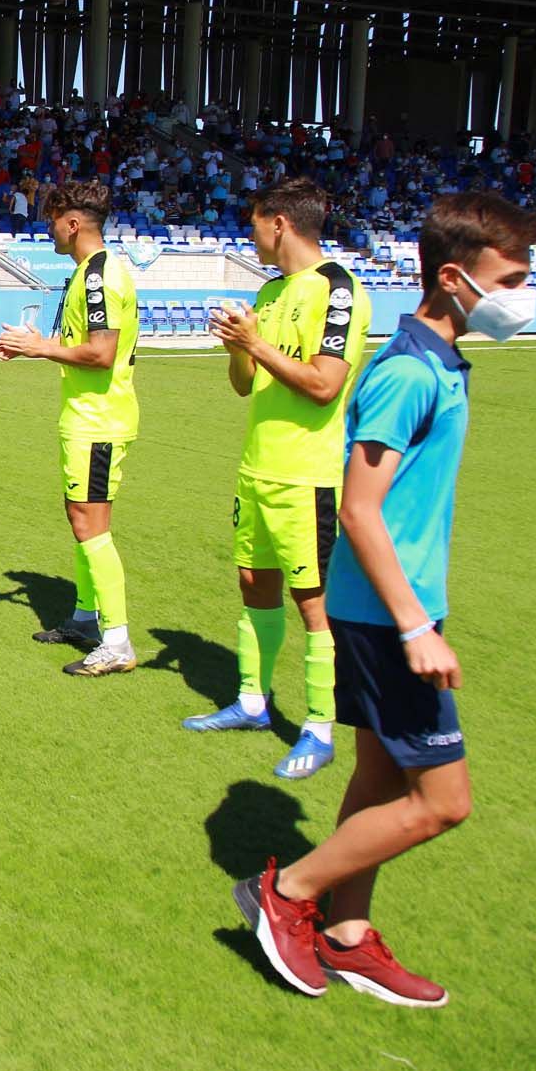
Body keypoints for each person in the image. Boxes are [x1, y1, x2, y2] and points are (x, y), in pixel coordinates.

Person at [238, 192, 536, 1010]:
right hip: (383, 617)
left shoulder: (435, 361)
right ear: (453, 276)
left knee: (377, 777)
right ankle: (288, 891)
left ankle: (346, 932)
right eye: (511, 277)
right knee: (443, 800)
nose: (523, 294)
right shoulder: (409, 371)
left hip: (399, 609)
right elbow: (360, 507)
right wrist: (414, 625)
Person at [184, 179, 372, 782]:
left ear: (281, 224)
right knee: (252, 582)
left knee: (312, 600)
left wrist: (255, 343)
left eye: (256, 222)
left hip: (305, 474)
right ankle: (253, 702)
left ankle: (319, 727)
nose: (252, 233)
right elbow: (245, 385)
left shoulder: (337, 289)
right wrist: (239, 347)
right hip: (257, 468)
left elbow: (323, 384)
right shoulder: (269, 290)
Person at [0, 179, 141, 677]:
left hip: (99, 419)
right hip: (85, 416)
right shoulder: (86, 274)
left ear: (73, 222)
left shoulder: (99, 276)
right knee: (80, 518)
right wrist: (34, 344)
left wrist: (41, 349)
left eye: (53, 220)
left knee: (91, 524)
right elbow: (79, 342)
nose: (48, 228)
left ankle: (117, 640)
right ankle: (84, 616)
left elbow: (101, 353)